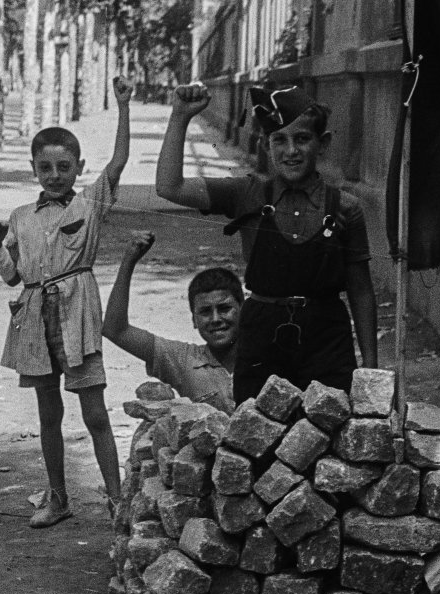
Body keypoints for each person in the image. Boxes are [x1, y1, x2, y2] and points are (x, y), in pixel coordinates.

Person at [154, 83, 377, 402]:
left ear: (322, 143)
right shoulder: (246, 194)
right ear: (265, 145)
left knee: (332, 436)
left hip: (327, 339)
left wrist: (371, 370)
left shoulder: (345, 207)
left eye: (302, 139)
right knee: (256, 437)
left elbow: (361, 288)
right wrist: (179, 117)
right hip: (262, 337)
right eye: (279, 140)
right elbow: (169, 187)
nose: (291, 151)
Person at [0, 76, 133, 528]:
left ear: (78, 167)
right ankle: (58, 497)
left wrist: (122, 105)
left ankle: (117, 500)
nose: (54, 176)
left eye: (64, 167)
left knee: (95, 413)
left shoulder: (89, 205)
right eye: (45, 169)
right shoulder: (20, 217)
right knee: (49, 415)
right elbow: (12, 277)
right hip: (33, 321)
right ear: (33, 169)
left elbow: (120, 160)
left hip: (77, 317)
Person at [102, 231, 241, 413]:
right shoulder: (184, 360)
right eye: (205, 312)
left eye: (224, 309)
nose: (216, 319)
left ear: (243, 310)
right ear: (193, 319)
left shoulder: (266, 354)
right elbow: (115, 330)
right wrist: (129, 261)